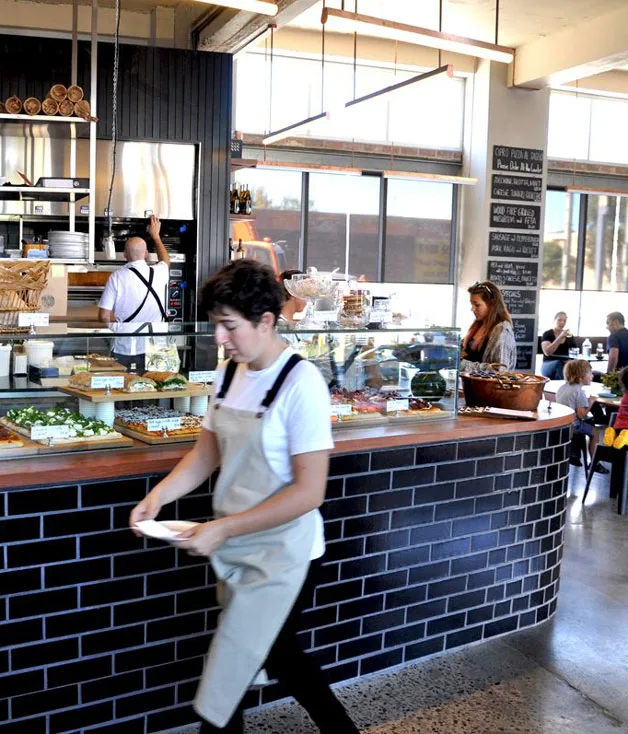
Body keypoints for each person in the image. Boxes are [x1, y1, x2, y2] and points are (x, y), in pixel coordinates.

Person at [129, 260, 360, 734]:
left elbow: (309, 492)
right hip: (236, 546)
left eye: (229, 325)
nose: (220, 338)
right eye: (217, 324)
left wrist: (223, 528)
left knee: (240, 663)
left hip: (285, 553)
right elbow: (205, 454)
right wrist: (159, 496)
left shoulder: (301, 384)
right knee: (267, 656)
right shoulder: (228, 374)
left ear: (266, 321)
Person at [98, 215, 170, 372]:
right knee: (154, 384)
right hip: (156, 347)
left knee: (124, 384)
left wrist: (118, 328)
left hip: (126, 348)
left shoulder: (117, 277)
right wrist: (156, 237)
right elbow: (165, 260)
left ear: (125, 255)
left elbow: (103, 316)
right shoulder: (160, 272)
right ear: (146, 254)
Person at [556, 359, 607, 472]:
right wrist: (591, 401)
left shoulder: (563, 387)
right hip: (573, 425)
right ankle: (594, 463)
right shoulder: (579, 392)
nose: (592, 376)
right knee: (595, 432)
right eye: (590, 373)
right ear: (581, 377)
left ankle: (575, 454)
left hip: (562, 423)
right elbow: (581, 415)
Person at [460, 280, 517, 371]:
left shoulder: (502, 330)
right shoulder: (477, 325)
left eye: (477, 305)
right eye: (472, 304)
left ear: (491, 304)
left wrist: (462, 365)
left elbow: (499, 369)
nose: (472, 309)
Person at [540, 311, 577, 380]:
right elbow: (547, 352)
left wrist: (570, 361)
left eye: (564, 321)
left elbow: (574, 352)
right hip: (548, 364)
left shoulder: (569, 335)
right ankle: (564, 385)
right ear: (554, 320)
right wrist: (560, 337)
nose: (562, 322)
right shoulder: (548, 334)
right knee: (558, 364)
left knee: (580, 365)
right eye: (559, 320)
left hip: (565, 364)